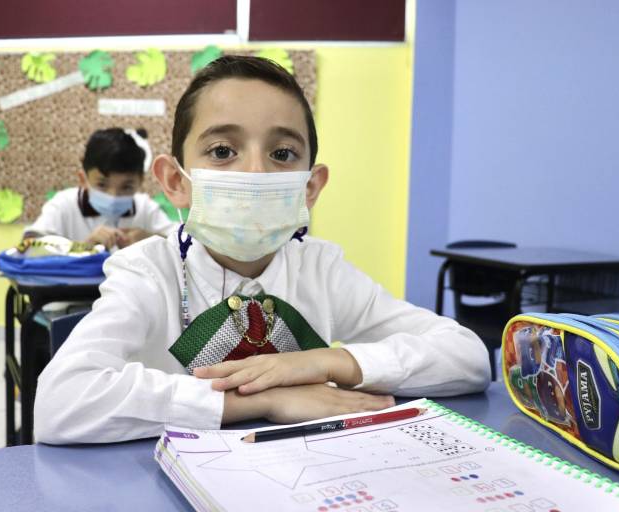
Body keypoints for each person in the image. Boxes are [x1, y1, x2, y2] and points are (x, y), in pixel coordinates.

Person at [34, 56, 490, 444]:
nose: (254, 172)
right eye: (222, 150)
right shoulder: (148, 272)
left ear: (310, 188)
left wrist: (326, 361)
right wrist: (264, 398)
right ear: (175, 182)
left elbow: (467, 358)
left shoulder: (321, 269)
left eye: (283, 154)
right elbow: (60, 402)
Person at [24, 128, 176, 249]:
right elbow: (27, 247)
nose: (114, 196)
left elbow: (186, 245)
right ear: (83, 179)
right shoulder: (63, 205)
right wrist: (82, 247)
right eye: (102, 185)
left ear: (140, 182)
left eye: (127, 187)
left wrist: (153, 240)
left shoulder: (144, 208)